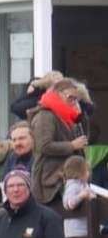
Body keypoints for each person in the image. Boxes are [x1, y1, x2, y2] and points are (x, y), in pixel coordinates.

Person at [29, 77, 88, 209]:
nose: (73, 102)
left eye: (76, 99)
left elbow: (84, 141)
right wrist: (71, 146)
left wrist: (80, 117)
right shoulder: (45, 116)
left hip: (67, 180)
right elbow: (44, 146)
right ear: (57, 94)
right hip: (50, 183)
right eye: (70, 97)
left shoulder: (65, 116)